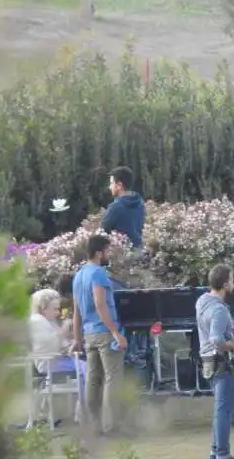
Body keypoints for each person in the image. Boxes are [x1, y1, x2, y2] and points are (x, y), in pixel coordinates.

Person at [72, 234, 126, 435]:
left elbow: (76, 310)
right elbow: (100, 303)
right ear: (98, 253)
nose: (108, 254)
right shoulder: (98, 274)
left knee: (93, 381)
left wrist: (77, 339)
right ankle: (111, 425)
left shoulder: (78, 275)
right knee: (113, 378)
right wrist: (115, 332)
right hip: (105, 333)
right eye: (107, 250)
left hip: (89, 335)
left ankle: (93, 425)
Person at [196, 264, 234, 459]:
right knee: (224, 411)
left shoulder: (202, 301)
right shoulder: (219, 310)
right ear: (224, 283)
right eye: (231, 279)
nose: (233, 283)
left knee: (220, 409)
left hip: (208, 362)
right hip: (221, 362)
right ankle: (222, 453)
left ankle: (216, 451)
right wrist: (232, 345)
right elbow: (216, 338)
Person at [101, 166, 146, 249]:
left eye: (111, 183)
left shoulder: (115, 207)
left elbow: (102, 232)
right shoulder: (140, 203)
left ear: (119, 185)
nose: (109, 187)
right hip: (139, 251)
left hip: (122, 256)